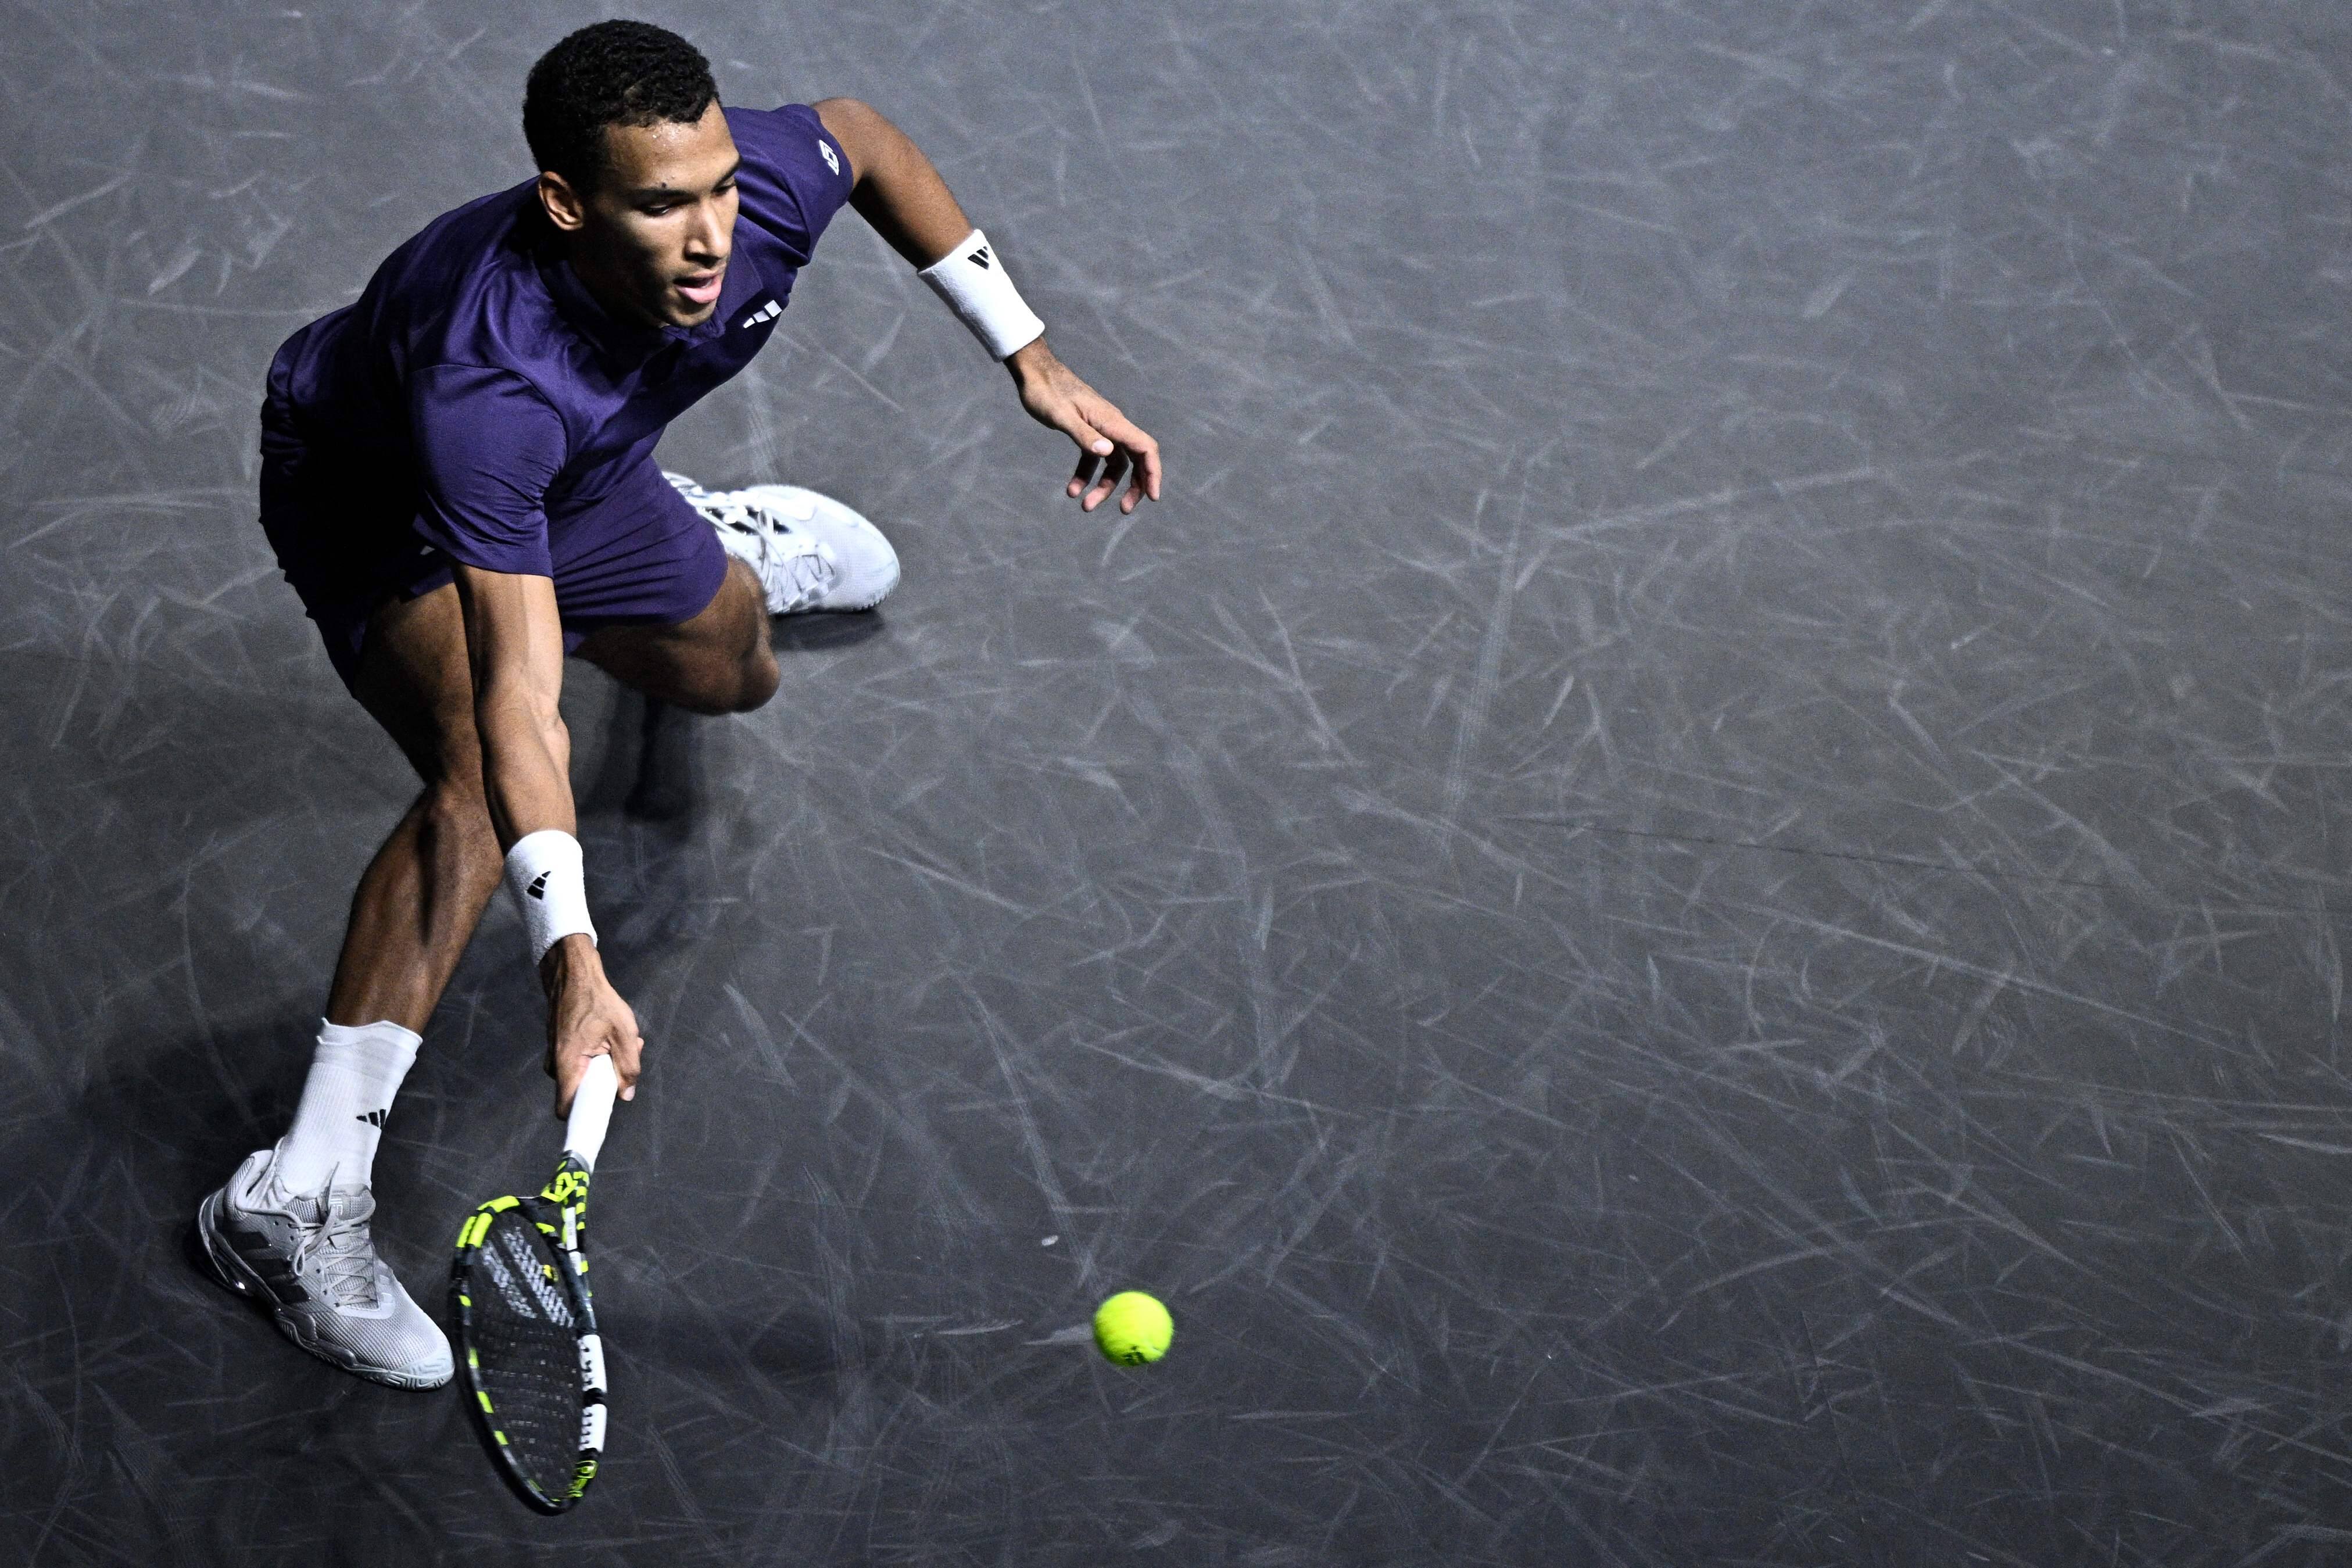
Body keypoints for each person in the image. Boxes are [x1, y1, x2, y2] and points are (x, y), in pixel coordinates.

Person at [193, 19, 1162, 1389]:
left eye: (715, 186)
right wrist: (572, 961)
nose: (713, 234)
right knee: (480, 763)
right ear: (567, 205)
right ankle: (291, 1201)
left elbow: (866, 138)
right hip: (396, 511)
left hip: (585, 478)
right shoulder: (490, 379)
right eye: (663, 205)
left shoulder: (750, 188)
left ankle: (698, 539)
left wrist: (1031, 354)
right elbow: (529, 702)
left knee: (733, 667)